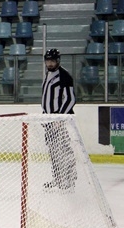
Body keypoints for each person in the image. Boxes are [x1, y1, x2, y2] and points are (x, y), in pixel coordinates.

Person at [41, 48, 77, 190]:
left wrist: (59, 118)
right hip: (49, 121)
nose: (50, 63)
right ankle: (57, 178)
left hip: (60, 121)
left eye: (52, 61)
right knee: (53, 152)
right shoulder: (48, 74)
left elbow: (70, 99)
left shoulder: (64, 76)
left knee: (64, 151)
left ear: (58, 61)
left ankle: (69, 181)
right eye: (48, 61)